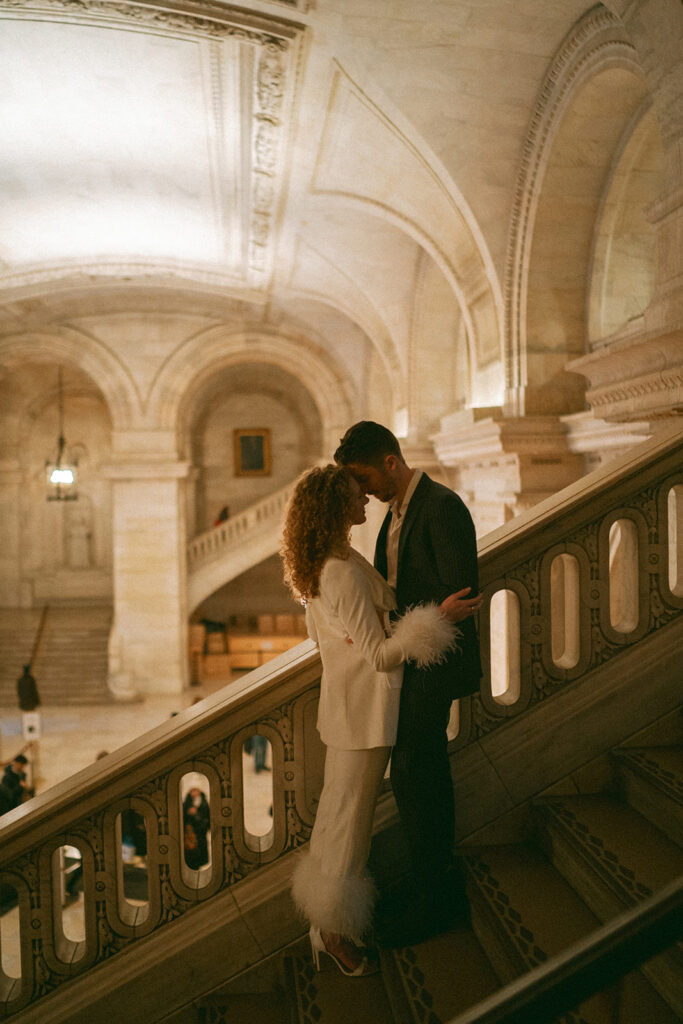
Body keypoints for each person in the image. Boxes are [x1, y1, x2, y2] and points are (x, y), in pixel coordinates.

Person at [281, 464, 478, 976]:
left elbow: (338, 634)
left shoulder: (333, 559)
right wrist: (438, 619)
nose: (364, 502)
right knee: (350, 823)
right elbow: (379, 656)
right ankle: (332, 929)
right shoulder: (339, 569)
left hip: (351, 708)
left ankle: (322, 926)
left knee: (337, 815)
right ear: (333, 509)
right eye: (353, 497)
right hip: (363, 712)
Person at [335, 421, 482, 947]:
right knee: (416, 778)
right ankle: (428, 889)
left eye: (364, 476)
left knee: (419, 777)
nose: (362, 490)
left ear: (390, 462)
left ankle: (438, 899)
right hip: (407, 665)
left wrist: (412, 635)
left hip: (434, 667)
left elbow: (461, 596)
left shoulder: (441, 507)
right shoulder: (390, 518)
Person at [182, 787, 211, 870]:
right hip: (190, 833)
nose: (194, 793)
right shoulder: (186, 803)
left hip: (200, 832)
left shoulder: (204, 803)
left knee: (200, 852)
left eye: (196, 790)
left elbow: (207, 817)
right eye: (192, 790)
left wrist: (197, 814)